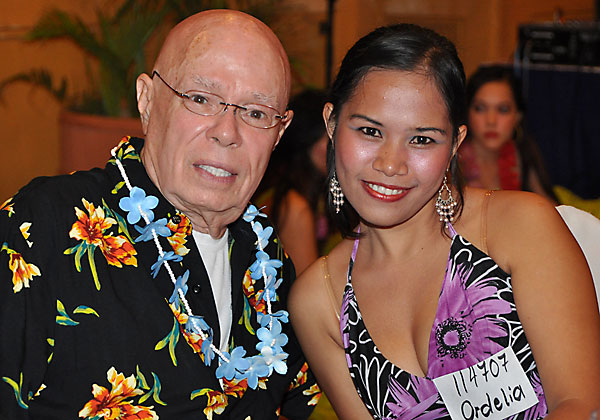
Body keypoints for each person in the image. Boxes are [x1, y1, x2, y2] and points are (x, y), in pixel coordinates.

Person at [0, 10, 319, 419]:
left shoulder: (268, 264)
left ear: (279, 133)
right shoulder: (45, 227)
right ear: (147, 101)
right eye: (200, 99)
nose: (227, 132)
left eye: (255, 113)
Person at [289, 23, 600, 419]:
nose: (391, 164)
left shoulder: (517, 228)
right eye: (369, 131)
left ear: (455, 143)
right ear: (332, 125)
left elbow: (580, 403)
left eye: (422, 139)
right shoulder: (320, 299)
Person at [254, 89, 339, 275]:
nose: (338, 147)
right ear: (309, 139)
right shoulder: (294, 205)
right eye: (330, 137)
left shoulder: (296, 194)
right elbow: (306, 282)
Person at [459, 65, 558, 202]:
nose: (491, 121)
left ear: (518, 116)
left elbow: (553, 209)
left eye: (503, 109)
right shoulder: (451, 161)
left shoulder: (523, 155)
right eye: (480, 108)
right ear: (467, 112)